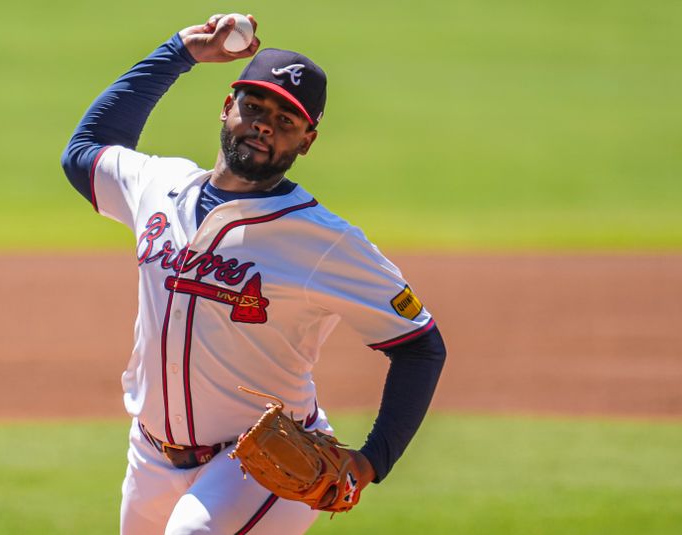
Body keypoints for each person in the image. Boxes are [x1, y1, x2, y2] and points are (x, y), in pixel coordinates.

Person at [61, 14, 446, 535]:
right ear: (227, 107)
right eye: (255, 107)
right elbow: (83, 152)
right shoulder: (159, 184)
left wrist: (373, 459)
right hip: (149, 455)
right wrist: (179, 51)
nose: (265, 124)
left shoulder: (325, 242)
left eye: (286, 121)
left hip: (261, 463)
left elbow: (420, 344)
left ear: (307, 141)